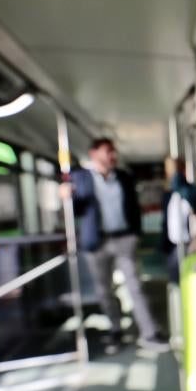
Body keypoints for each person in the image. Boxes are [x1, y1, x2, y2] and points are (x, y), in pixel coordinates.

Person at [61, 138, 166, 351]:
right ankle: (115, 329)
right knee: (103, 290)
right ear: (93, 153)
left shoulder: (125, 177)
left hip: (124, 238)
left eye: (114, 152)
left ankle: (149, 333)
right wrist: (66, 197)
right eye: (108, 151)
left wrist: (136, 233)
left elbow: (133, 207)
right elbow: (77, 208)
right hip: (97, 241)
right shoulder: (80, 178)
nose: (113, 156)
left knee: (135, 286)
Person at [161, 156, 196, 283]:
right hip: (173, 244)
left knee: (190, 277)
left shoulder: (188, 191)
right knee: (177, 279)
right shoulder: (169, 195)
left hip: (189, 243)